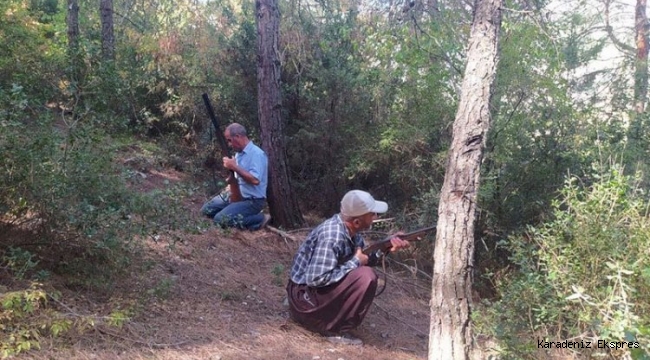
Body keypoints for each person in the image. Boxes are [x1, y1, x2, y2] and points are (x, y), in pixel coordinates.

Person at [286, 190, 410, 345]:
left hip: (307, 298)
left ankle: (328, 322)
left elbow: (365, 258)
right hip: (304, 302)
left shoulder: (350, 230)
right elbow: (315, 279)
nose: (376, 217)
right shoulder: (332, 236)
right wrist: (355, 262)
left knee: (364, 274)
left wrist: (386, 247)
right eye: (372, 214)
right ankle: (330, 328)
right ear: (357, 222)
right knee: (366, 277)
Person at [201, 123, 270, 230]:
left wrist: (234, 167)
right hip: (237, 195)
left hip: (252, 201)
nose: (229, 144)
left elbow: (255, 180)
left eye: (229, 140)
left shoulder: (257, 154)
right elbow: (238, 178)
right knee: (206, 211)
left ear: (237, 137)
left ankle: (259, 219)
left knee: (220, 220)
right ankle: (232, 211)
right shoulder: (239, 154)